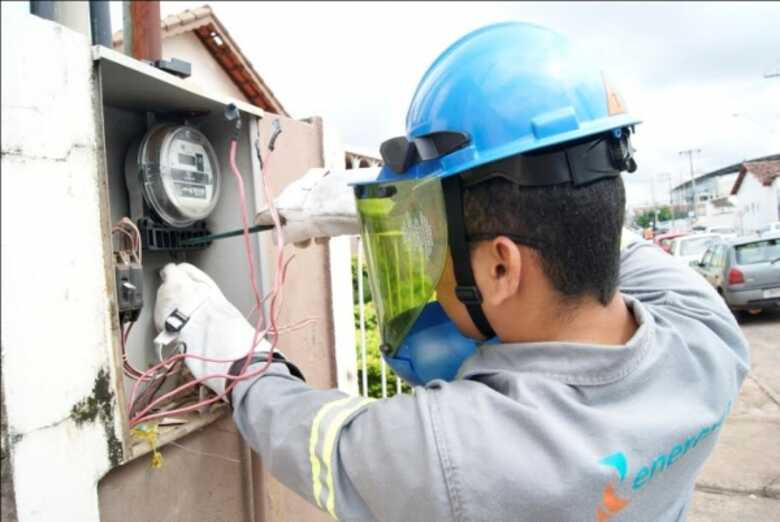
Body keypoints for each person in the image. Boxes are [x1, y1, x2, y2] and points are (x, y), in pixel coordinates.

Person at [155, 22, 749, 521]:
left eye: (433, 246)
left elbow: (319, 441)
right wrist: (387, 197)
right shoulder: (706, 333)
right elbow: (594, 221)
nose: (431, 269)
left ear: (500, 267)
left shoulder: (459, 455)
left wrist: (232, 357)